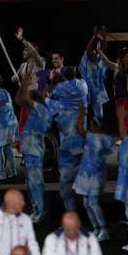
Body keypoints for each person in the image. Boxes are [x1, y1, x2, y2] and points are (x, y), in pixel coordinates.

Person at [49, 67, 89, 211]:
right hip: (80, 122)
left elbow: (51, 96)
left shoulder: (59, 89)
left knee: (70, 158)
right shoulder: (82, 84)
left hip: (69, 126)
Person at [14, 70, 51, 222]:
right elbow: (18, 100)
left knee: (35, 183)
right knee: (30, 183)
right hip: (30, 150)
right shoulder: (35, 109)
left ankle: (41, 211)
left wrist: (24, 83)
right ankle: (37, 209)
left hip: (35, 151)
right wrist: (22, 86)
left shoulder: (40, 109)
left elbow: (22, 99)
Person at [73, 105, 113, 242]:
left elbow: (80, 130)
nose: (90, 127)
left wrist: (81, 115)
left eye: (92, 125)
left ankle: (104, 230)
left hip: (95, 176)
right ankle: (96, 228)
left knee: (93, 203)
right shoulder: (98, 137)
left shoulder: (98, 138)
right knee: (86, 203)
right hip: (86, 174)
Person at [99, 44, 128, 144]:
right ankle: (123, 137)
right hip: (119, 97)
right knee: (120, 119)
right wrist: (99, 51)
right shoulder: (117, 67)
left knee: (126, 118)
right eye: (127, 57)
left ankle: (127, 138)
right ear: (122, 58)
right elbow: (106, 61)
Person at [12, 28, 46, 135]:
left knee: (34, 122)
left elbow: (33, 51)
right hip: (25, 96)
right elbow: (13, 77)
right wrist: (15, 78)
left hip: (35, 97)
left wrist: (22, 39)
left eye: (25, 50)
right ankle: (22, 145)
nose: (23, 51)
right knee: (22, 121)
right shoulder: (23, 66)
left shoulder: (40, 63)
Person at [78, 30, 110, 125]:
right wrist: (94, 37)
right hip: (86, 88)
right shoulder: (86, 58)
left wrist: (104, 38)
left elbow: (104, 51)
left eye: (95, 51)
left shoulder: (98, 59)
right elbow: (88, 49)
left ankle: (96, 130)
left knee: (100, 115)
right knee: (83, 112)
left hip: (96, 89)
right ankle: (83, 131)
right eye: (93, 51)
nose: (93, 53)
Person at [0, 75, 19, 180]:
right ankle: (13, 171)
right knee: (7, 147)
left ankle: (0, 173)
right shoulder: (5, 92)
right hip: (13, 121)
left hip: (4, 123)